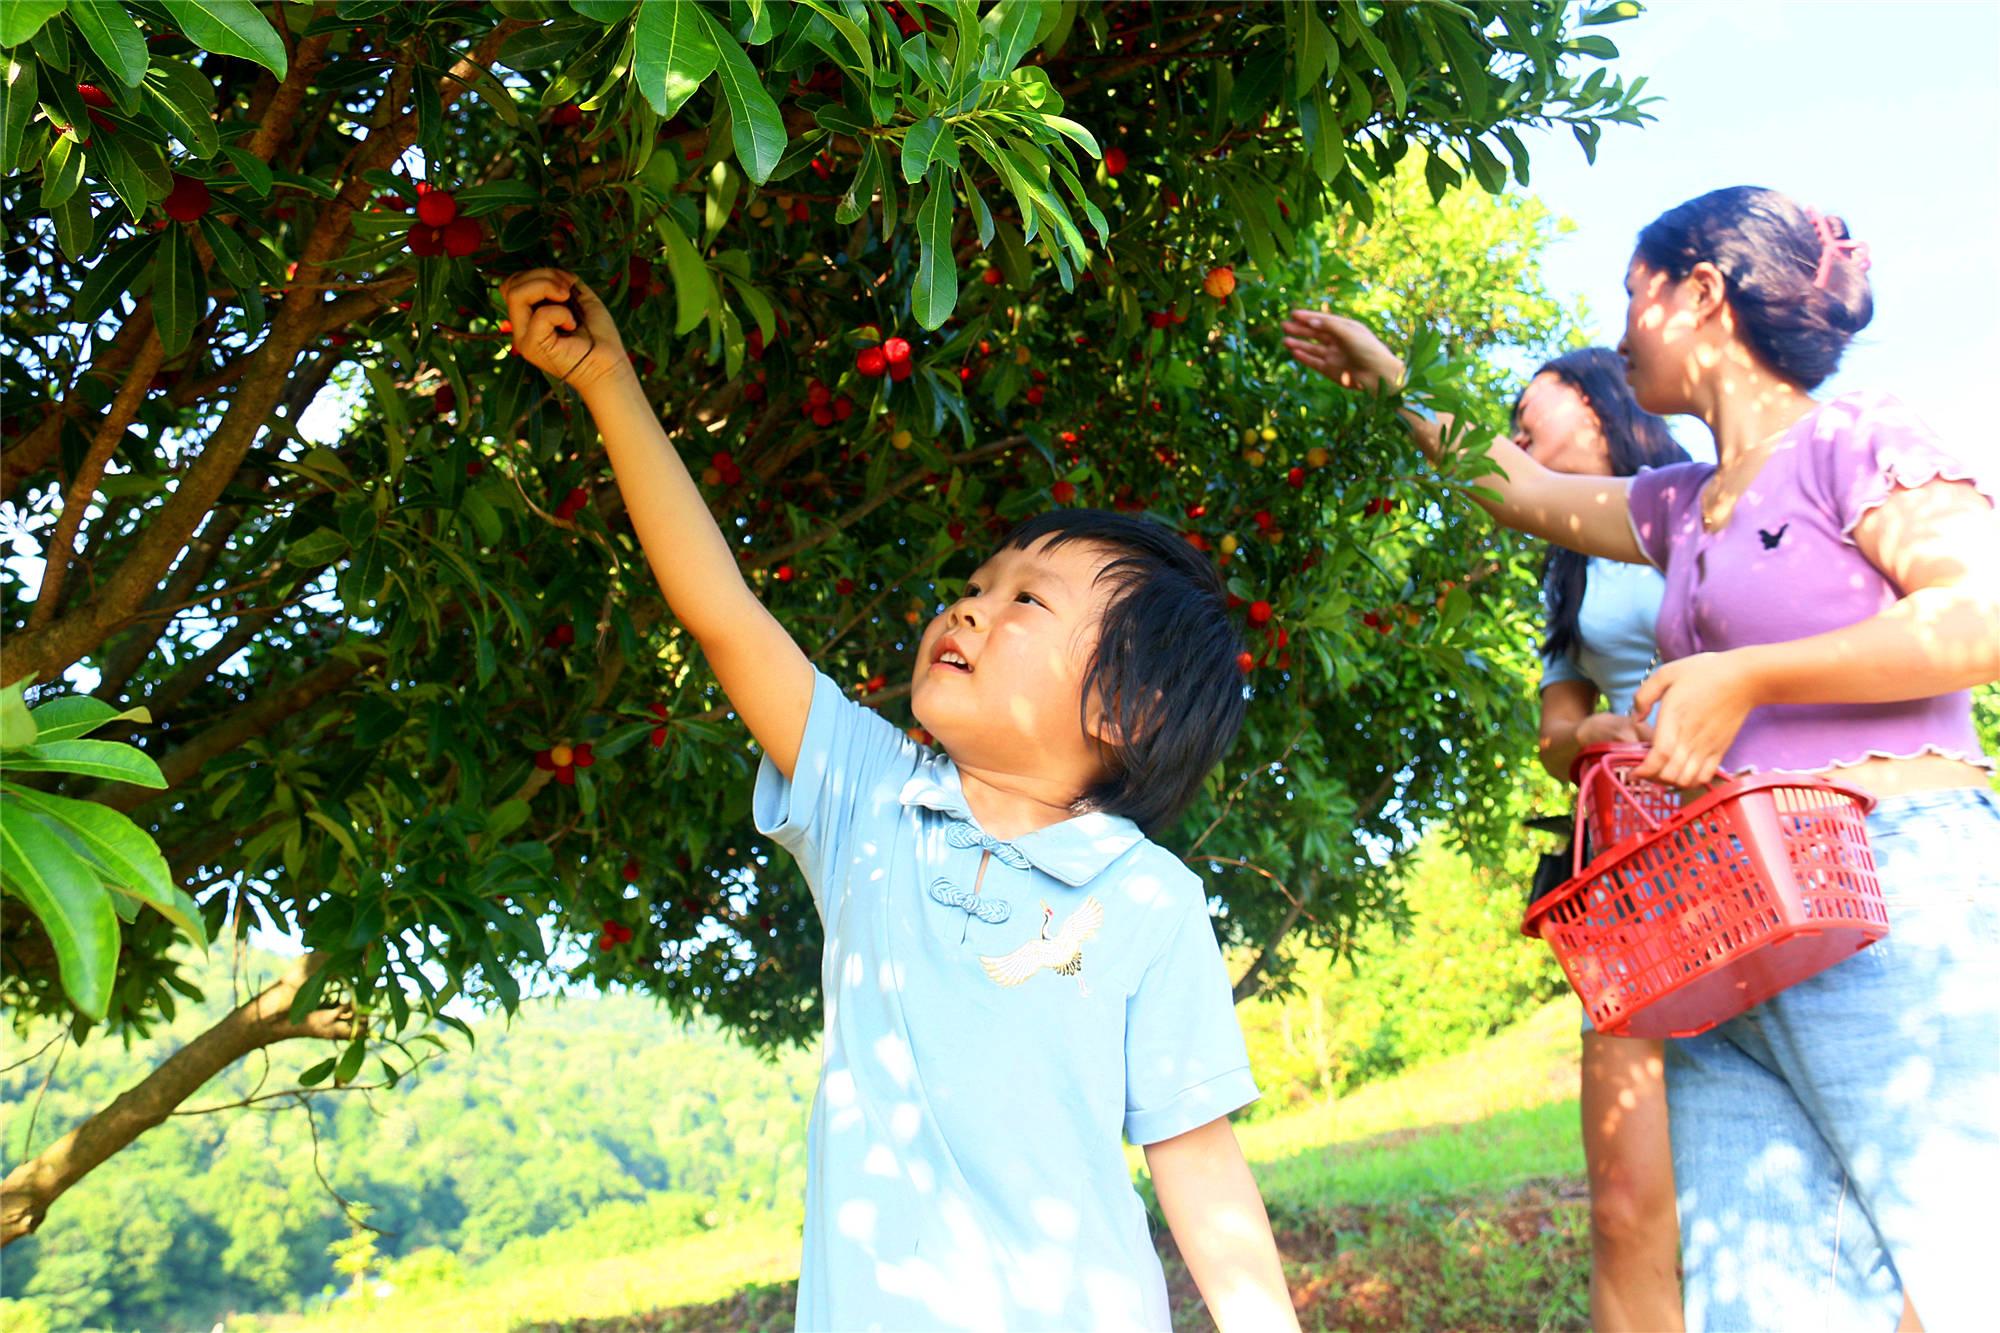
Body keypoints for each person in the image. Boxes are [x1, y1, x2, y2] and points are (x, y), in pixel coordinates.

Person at [499, 269, 1299, 1333]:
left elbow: (1194, 1156)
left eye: (1024, 601)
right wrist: (608, 384)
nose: (968, 608)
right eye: (975, 586)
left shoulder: (1147, 900)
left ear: (1125, 705)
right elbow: (725, 614)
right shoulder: (872, 803)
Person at [1283, 186, 2000, 1332]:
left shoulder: (1853, 438)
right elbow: (1523, 492)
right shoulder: (1683, 505)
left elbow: (1980, 613)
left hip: (1890, 887)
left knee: (1967, 1265)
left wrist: (1750, 676)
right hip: (1727, 928)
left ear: (1699, 294)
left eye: (1632, 294)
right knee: (1762, 1306)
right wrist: (1392, 388)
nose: (1616, 333)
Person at [1516, 348, 1689, 1333]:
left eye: (1522, 406)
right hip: (1633, 869)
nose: (1511, 430)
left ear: (1587, 396)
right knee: (1624, 1203)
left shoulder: (1695, 501)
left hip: (1756, 840)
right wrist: (1592, 735)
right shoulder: (1567, 567)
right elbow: (1553, 735)